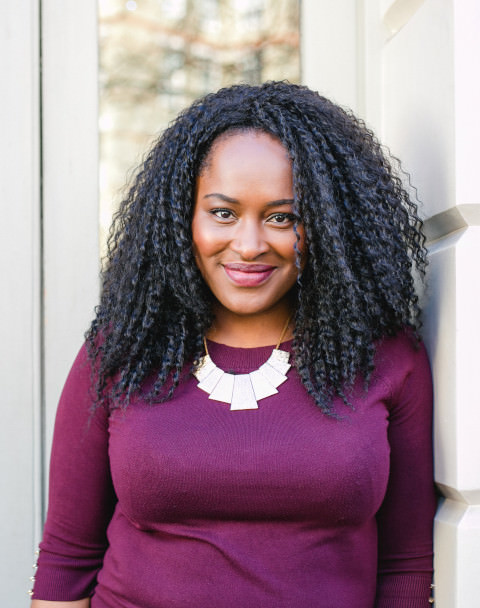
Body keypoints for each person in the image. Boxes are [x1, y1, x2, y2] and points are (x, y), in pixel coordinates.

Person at [31, 81, 436, 607]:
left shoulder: (384, 358)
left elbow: (406, 566)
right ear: (183, 218)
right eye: (223, 213)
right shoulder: (124, 351)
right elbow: (68, 560)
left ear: (330, 227)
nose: (248, 246)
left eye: (282, 217)